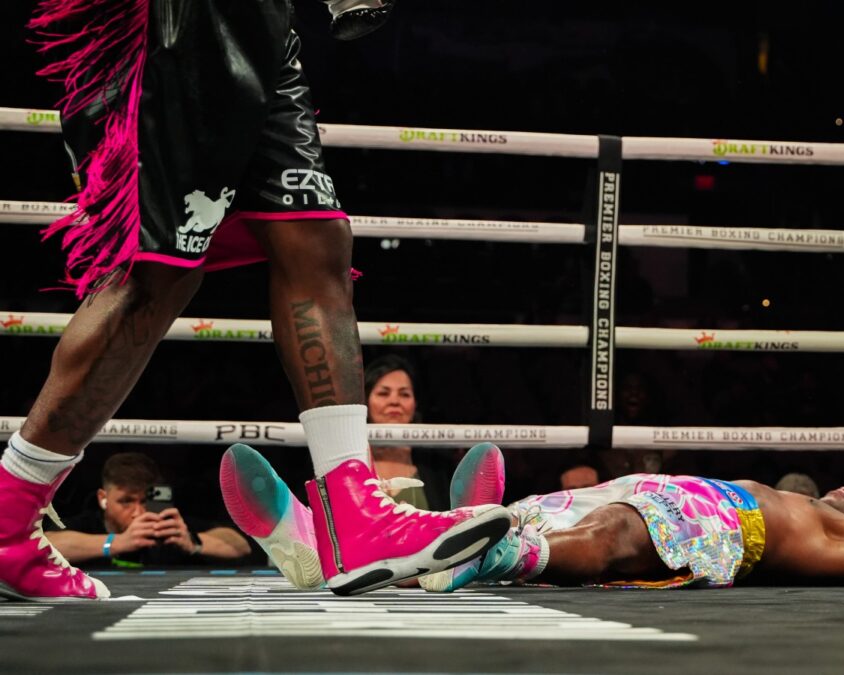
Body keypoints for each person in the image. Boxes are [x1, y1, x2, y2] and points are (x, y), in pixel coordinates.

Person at [0, 0, 509, 602]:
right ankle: (9, 517)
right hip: (183, 19)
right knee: (156, 275)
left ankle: (355, 512)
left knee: (316, 238)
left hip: (266, 28)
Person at [222, 444, 844, 591]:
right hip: (651, 489)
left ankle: (481, 555)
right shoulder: (805, 500)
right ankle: (314, 544)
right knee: (520, 516)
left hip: (710, 522)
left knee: (612, 538)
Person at [46, 452, 251, 566]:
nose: (138, 513)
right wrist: (116, 542)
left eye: (145, 501)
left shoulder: (168, 528)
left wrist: (193, 542)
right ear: (103, 498)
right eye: (126, 501)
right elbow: (46, 544)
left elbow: (240, 545)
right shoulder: (88, 524)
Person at [363, 355, 454, 510]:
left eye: (404, 394)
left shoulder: (437, 465)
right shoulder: (349, 460)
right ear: (366, 401)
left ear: (415, 404)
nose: (394, 401)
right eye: (383, 393)